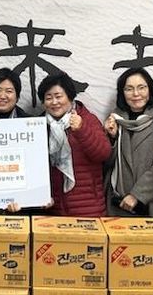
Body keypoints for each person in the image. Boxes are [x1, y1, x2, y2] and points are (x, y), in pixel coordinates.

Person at [38, 71, 111, 216]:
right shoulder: (39, 125)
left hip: (89, 209)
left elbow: (103, 153)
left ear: (70, 97)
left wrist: (82, 129)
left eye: (59, 96)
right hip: (54, 210)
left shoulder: (87, 119)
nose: (54, 102)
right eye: (48, 98)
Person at [104, 67, 153, 216]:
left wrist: (136, 195)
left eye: (141, 87)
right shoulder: (114, 121)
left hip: (148, 205)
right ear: (122, 93)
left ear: (150, 90)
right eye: (129, 89)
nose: (136, 94)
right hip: (117, 203)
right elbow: (105, 164)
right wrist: (112, 138)